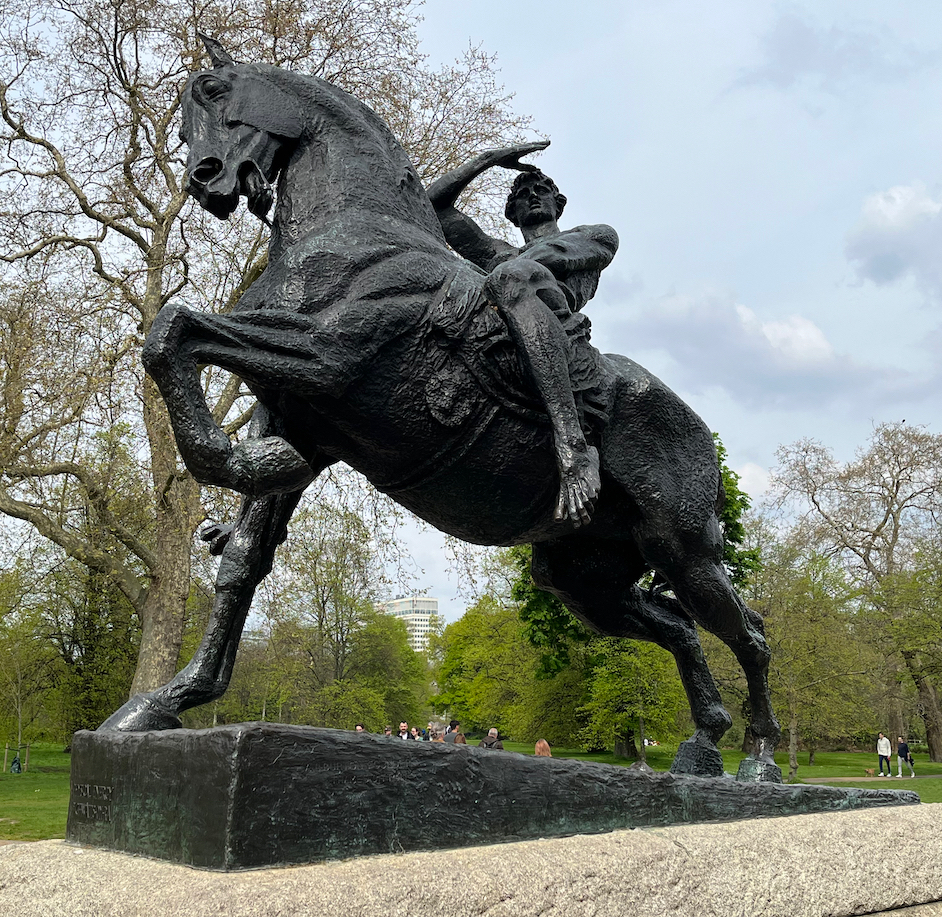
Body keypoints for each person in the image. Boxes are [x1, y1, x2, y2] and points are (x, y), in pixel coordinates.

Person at [427, 142, 618, 527]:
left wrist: (490, 268)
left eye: (540, 190)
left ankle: (573, 445)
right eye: (521, 194)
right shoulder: (500, 255)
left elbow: (550, 257)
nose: (532, 196)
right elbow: (433, 206)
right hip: (501, 318)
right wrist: (487, 160)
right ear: (511, 212)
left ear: (558, 204)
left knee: (510, 275)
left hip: (554, 316)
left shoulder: (595, 235)